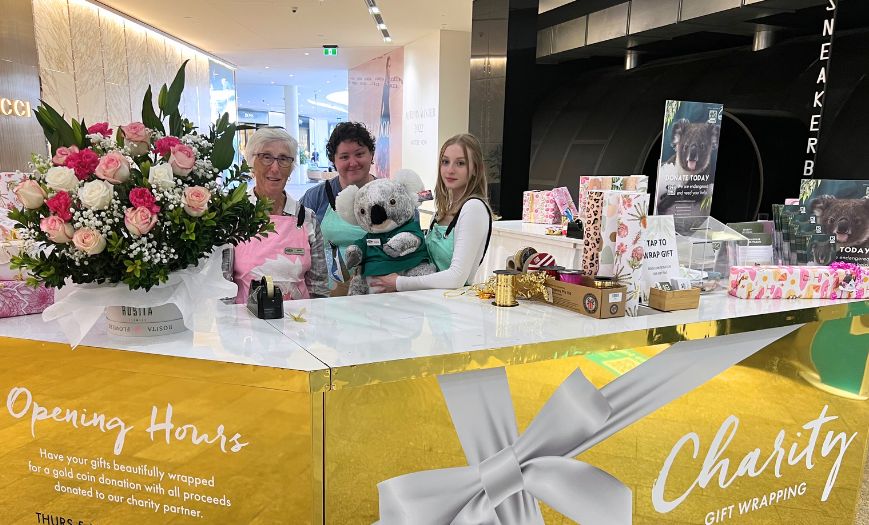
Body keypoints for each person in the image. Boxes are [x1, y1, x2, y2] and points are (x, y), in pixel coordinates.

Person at [370, 134, 492, 292]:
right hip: (432, 304)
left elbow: (457, 277)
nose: (450, 170)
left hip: (455, 308)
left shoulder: (474, 208)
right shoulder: (443, 209)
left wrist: (399, 283)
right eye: (445, 162)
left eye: (460, 163)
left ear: (476, 169)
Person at [232, 127, 330, 303]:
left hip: (300, 323)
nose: (275, 168)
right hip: (246, 325)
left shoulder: (306, 218)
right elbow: (222, 287)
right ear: (252, 162)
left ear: (291, 168)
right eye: (266, 157)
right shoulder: (234, 216)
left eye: (283, 159)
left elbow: (318, 288)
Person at [300, 122, 377, 290]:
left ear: (371, 154)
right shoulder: (315, 197)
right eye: (344, 157)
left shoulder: (391, 195)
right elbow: (296, 241)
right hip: (325, 299)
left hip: (380, 297)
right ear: (334, 160)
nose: (353, 162)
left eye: (359, 154)